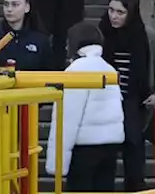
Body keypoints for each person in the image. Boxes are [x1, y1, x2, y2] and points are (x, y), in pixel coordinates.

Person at [47, 22, 126, 192]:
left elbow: (67, 118)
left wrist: (57, 163)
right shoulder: (109, 68)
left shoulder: (76, 70)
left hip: (84, 148)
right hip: (110, 145)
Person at [99, 0, 154, 191]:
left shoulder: (144, 36)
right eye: (111, 10)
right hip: (105, 101)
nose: (114, 16)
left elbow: (153, 66)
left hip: (133, 100)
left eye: (120, 12)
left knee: (134, 150)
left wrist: (154, 92)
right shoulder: (101, 32)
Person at [0, 0, 53, 70]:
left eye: (15, 4)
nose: (9, 9)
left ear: (27, 7)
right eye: (6, 4)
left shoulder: (40, 40)